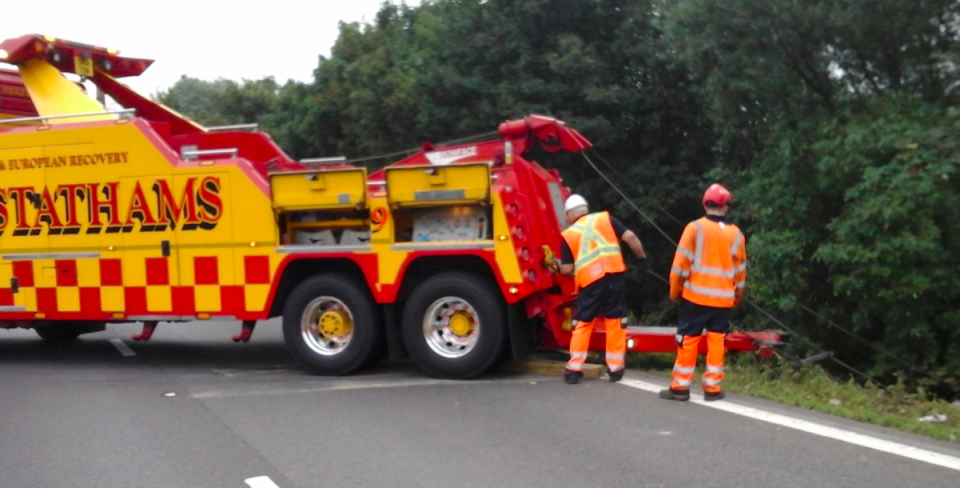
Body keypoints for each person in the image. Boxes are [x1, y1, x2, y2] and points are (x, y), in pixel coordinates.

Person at [660, 183, 747, 402]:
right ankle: (712, 388)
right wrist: (736, 297)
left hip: (695, 297)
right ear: (726, 206)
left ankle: (680, 387)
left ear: (705, 203)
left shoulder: (695, 228)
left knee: (688, 340)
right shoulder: (736, 235)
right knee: (717, 341)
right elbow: (740, 273)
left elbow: (679, 265)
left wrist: (675, 291)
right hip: (723, 300)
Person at [559, 194, 647, 384]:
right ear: (585, 209)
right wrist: (641, 257)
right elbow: (630, 237)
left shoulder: (569, 234)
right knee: (615, 321)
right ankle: (616, 369)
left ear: (569, 215)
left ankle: (574, 369)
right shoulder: (605, 219)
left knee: (583, 322)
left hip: (591, 282)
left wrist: (558, 267)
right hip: (615, 277)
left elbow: (566, 269)